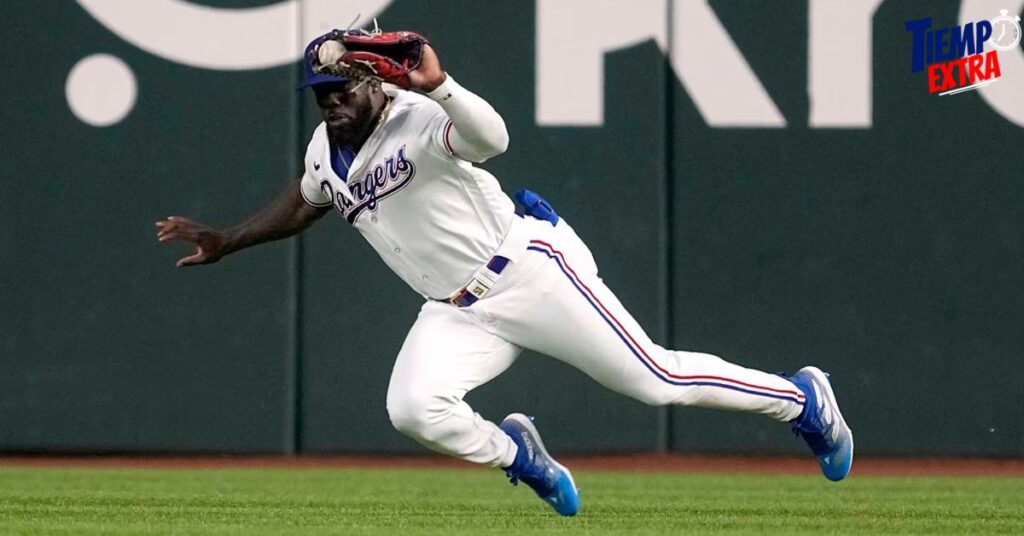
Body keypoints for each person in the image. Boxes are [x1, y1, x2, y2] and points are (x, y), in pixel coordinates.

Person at [156, 29, 853, 516]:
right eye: (321, 91)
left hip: (527, 271)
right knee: (413, 409)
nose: (331, 100)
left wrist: (444, 85)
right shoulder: (324, 146)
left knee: (656, 381)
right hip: (456, 308)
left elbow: (493, 139)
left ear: (374, 81)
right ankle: (519, 455)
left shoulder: (419, 116)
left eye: (342, 87)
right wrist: (228, 238)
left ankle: (801, 400)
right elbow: (305, 200)